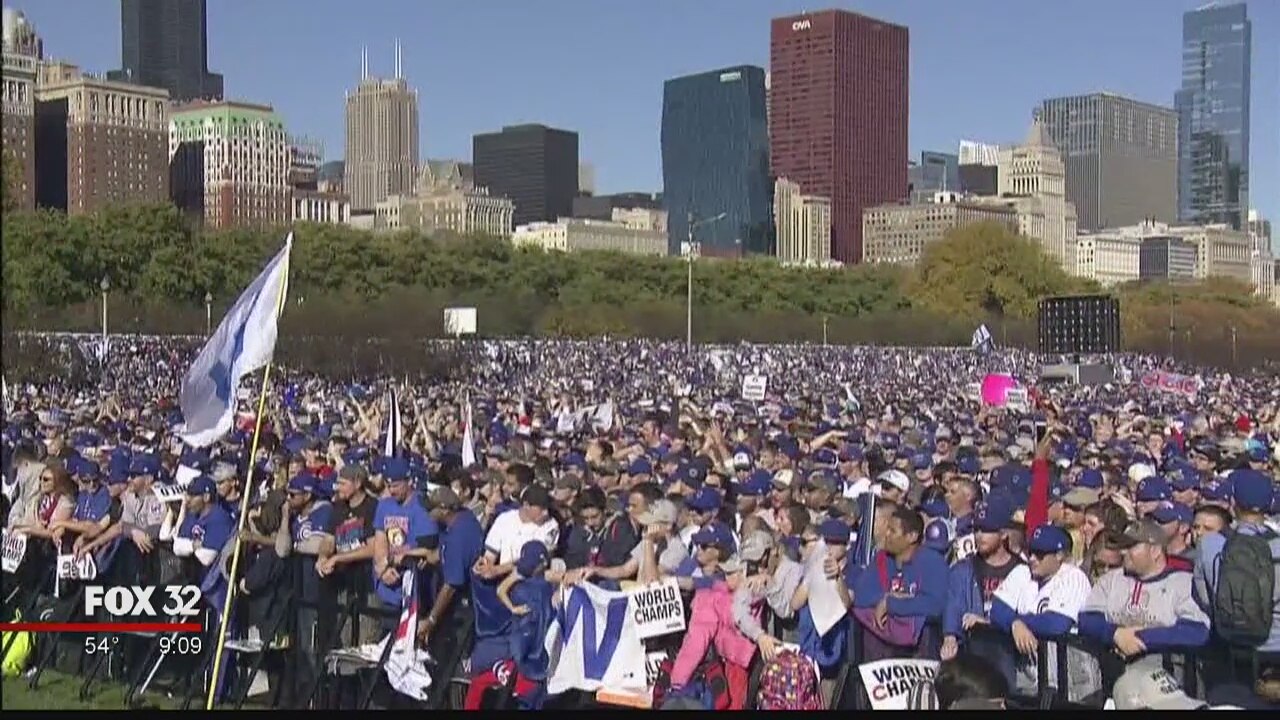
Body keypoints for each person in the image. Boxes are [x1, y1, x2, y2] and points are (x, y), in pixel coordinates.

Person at [1079, 519, 1210, 673]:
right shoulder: (1111, 580)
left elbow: (1196, 631)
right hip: (1114, 679)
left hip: (1169, 682)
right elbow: (1086, 619)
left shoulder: (1183, 582)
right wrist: (1115, 634)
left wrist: (1141, 638)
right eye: (1123, 546)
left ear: (1155, 551)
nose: (1122, 552)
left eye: (1131, 546)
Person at [990, 525, 1100, 703]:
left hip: (1073, 684)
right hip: (1032, 680)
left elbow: (1057, 624)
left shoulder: (1074, 577)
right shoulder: (1022, 572)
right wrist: (1015, 624)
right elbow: (997, 610)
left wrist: (1017, 621)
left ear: (1059, 555)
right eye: (1031, 551)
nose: (1032, 558)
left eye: (1040, 554)